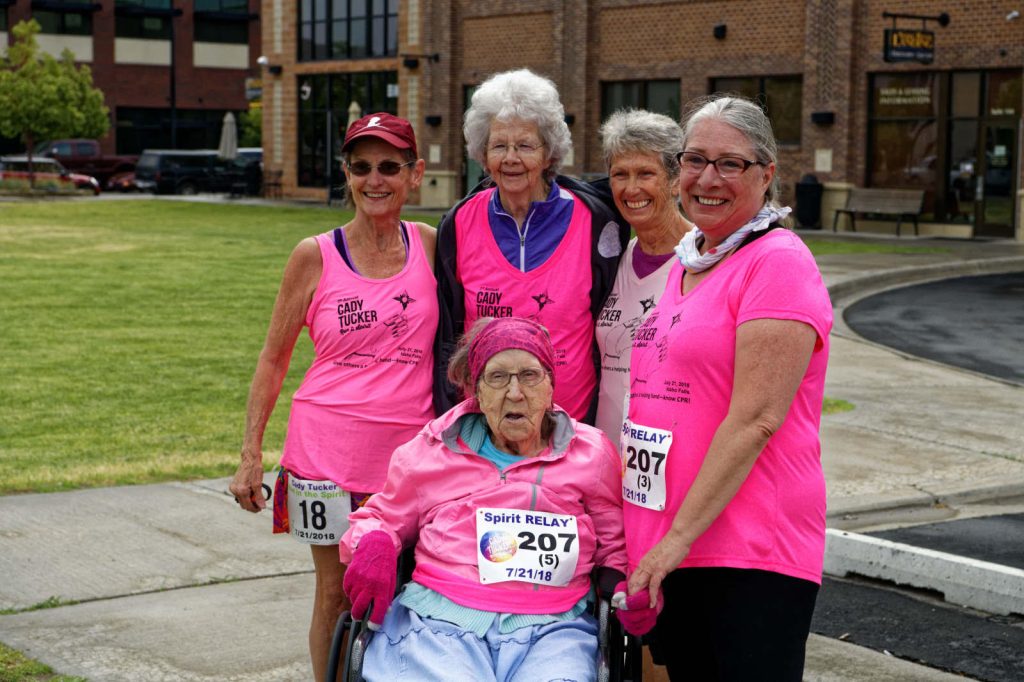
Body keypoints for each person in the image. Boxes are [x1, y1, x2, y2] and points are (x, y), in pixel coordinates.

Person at [619, 95, 833, 681]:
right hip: (674, 547)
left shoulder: (777, 262)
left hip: (745, 550)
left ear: (766, 175)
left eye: (730, 163)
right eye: (695, 160)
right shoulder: (690, 263)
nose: (708, 178)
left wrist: (675, 540)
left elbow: (756, 419)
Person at [228, 112, 438, 681]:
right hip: (325, 455)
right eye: (361, 167)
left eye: (390, 167)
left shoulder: (430, 243)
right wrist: (250, 454)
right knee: (337, 592)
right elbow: (273, 359)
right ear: (346, 174)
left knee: (416, 589)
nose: (375, 180)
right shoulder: (314, 254)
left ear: (415, 173)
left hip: (411, 461)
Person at [339, 316, 642, 682]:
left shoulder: (591, 453)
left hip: (554, 629)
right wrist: (374, 544)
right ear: (477, 392)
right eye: (497, 377)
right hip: (441, 621)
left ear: (551, 385)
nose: (515, 393)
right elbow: (381, 517)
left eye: (529, 375)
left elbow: (615, 543)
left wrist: (623, 585)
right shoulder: (432, 450)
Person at [434, 68, 629, 424]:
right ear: (483, 154)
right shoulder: (459, 223)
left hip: (572, 425)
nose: (511, 158)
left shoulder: (595, 221)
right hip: (486, 427)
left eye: (525, 145)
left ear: (549, 153)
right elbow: (448, 335)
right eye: (499, 146)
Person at [594, 109, 693, 446]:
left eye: (646, 173)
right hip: (607, 454)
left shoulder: (706, 261)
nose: (631, 188)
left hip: (678, 452)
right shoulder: (611, 262)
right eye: (620, 174)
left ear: (676, 179)